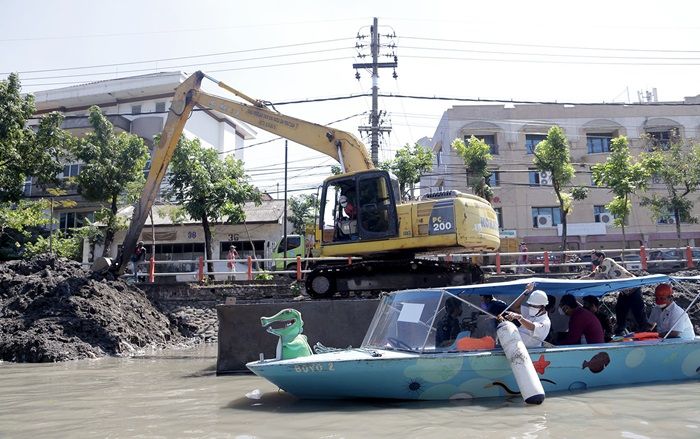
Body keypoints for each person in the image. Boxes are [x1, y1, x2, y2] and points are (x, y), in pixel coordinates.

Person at [586, 250, 649, 335]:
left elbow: (601, 276)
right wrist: (578, 280)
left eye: (594, 257)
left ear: (601, 257)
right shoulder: (599, 268)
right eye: (591, 258)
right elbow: (591, 276)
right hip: (624, 291)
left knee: (638, 311)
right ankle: (620, 331)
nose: (592, 260)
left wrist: (593, 283)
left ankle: (645, 330)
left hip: (633, 288)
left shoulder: (606, 261)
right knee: (620, 310)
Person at [503, 283, 552, 347]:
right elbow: (514, 307)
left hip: (531, 352)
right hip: (516, 346)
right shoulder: (530, 311)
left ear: (542, 307)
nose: (531, 307)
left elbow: (532, 327)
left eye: (534, 306)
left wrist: (520, 318)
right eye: (530, 305)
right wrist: (526, 292)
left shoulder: (545, 322)